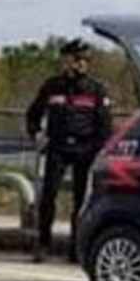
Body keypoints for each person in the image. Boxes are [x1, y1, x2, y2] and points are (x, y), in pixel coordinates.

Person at [25, 39, 112, 263]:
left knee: (80, 200)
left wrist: (98, 151)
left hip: (85, 149)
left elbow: (105, 126)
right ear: (68, 62)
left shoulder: (96, 89)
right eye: (77, 60)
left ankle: (76, 248)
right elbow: (33, 114)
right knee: (48, 195)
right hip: (58, 147)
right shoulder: (52, 86)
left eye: (85, 60)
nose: (81, 64)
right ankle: (43, 243)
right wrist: (36, 134)